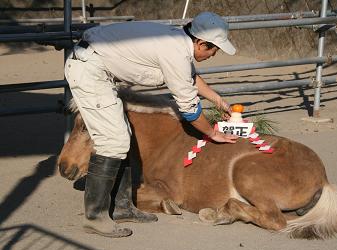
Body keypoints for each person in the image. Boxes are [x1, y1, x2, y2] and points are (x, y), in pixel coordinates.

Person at [64, 11, 238, 238]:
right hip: (89, 72)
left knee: (122, 135)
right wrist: (212, 133)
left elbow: (191, 78)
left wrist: (218, 101)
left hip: (97, 68)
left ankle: (122, 206)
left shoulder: (178, 43)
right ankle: (95, 217)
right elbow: (188, 108)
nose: (214, 54)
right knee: (113, 141)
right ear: (202, 43)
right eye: (214, 48)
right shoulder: (174, 52)